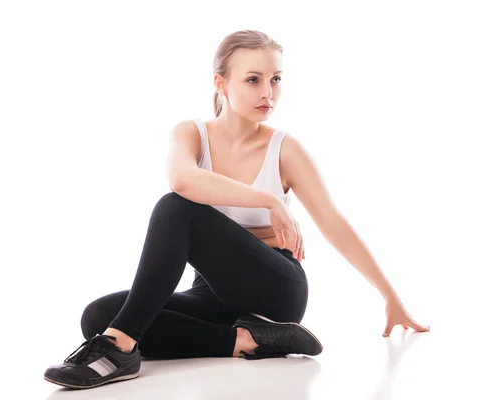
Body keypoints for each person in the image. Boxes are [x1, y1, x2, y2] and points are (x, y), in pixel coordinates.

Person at [44, 29, 430, 390]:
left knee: (176, 211)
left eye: (276, 79)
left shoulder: (286, 150)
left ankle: (120, 350)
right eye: (253, 79)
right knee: (98, 316)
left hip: (275, 289)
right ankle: (242, 342)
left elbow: (333, 223)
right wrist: (268, 199)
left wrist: (390, 296)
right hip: (210, 295)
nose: (269, 92)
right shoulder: (190, 133)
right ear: (220, 83)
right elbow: (182, 179)